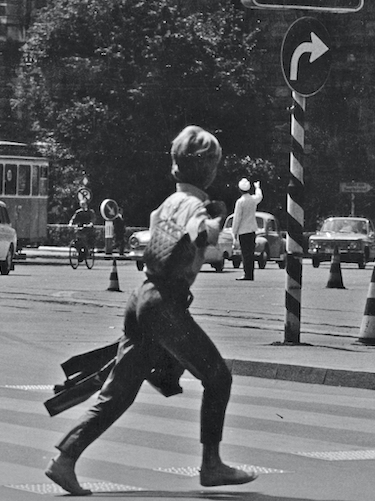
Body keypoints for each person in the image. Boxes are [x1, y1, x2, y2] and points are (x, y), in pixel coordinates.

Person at [45, 126, 257, 495]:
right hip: (165, 305)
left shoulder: (165, 204)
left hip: (141, 297)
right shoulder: (196, 206)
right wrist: (213, 223)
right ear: (207, 168)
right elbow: (198, 234)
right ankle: (211, 464)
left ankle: (64, 460)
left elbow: (159, 244)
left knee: (120, 391)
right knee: (218, 377)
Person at [232, 177, 262, 281]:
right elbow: (259, 196)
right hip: (252, 229)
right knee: (251, 253)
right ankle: (251, 273)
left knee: (245, 253)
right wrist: (257, 187)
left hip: (243, 231)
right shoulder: (253, 199)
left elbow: (237, 218)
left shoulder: (240, 202)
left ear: (240, 190)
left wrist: (234, 232)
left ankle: (246, 274)